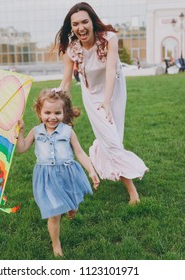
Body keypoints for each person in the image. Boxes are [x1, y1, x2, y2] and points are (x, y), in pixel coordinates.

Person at [54, 2, 148, 205]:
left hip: (115, 90)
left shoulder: (109, 39)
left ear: (93, 21)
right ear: (71, 27)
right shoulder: (72, 49)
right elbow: (67, 81)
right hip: (91, 94)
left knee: (115, 135)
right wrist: (57, 98)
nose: (81, 27)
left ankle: (106, 161)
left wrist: (107, 102)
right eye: (76, 24)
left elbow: (111, 71)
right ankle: (133, 192)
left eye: (85, 22)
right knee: (112, 140)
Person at [16, 88, 100, 257]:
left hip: (67, 173)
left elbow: (80, 152)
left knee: (71, 203)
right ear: (39, 112)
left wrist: (91, 170)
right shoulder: (36, 131)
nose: (52, 117)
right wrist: (20, 133)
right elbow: (22, 148)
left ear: (64, 112)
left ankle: (71, 207)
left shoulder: (68, 132)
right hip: (46, 177)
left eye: (57, 113)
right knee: (54, 214)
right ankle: (56, 244)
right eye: (47, 112)